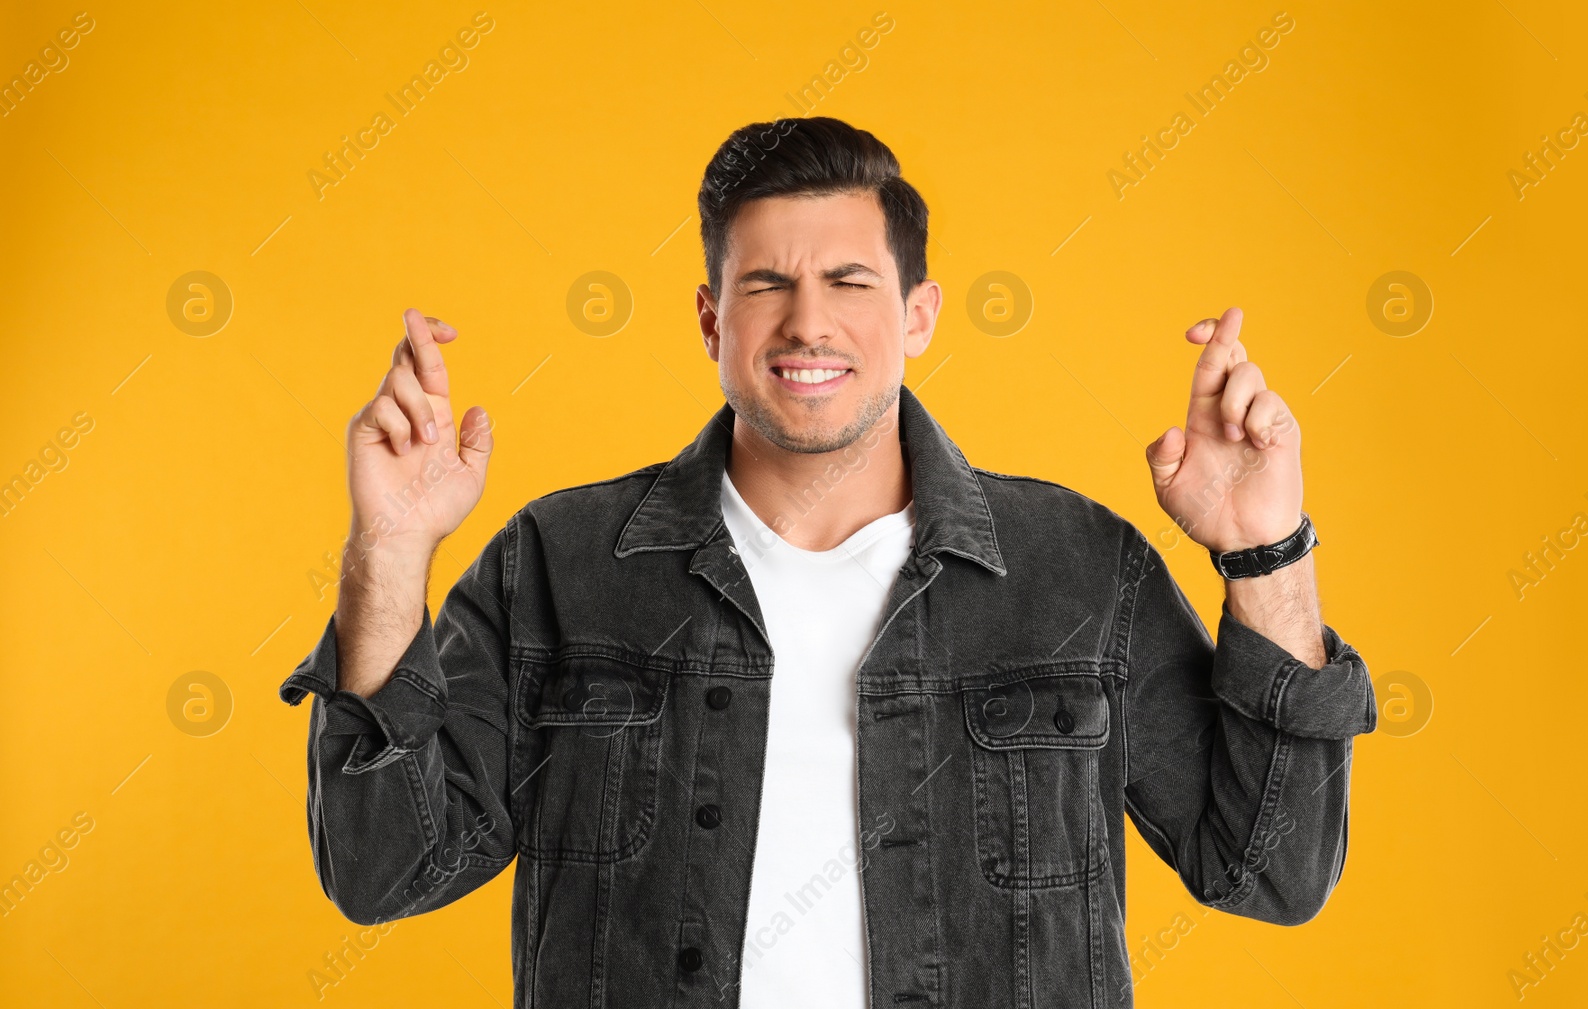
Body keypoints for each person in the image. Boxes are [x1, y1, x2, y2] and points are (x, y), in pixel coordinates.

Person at [279, 116, 1376, 1008]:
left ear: (919, 314)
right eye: (765, 286)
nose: (807, 324)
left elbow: (1267, 870)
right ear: (710, 319)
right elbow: (385, 869)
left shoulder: (1075, 570)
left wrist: (1263, 552)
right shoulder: (564, 564)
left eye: (850, 282)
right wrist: (387, 553)